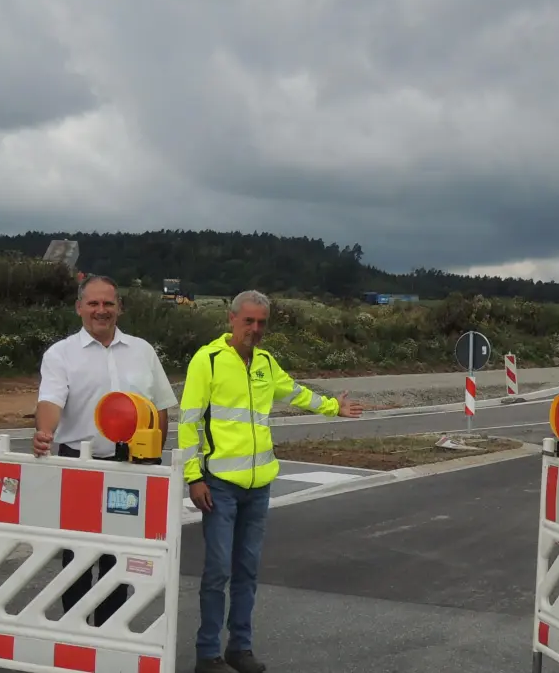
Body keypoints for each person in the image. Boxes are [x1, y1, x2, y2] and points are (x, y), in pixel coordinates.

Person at [177, 290, 363, 673]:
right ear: (232, 319)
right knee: (217, 572)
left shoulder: (264, 362)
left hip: (259, 487)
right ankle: (207, 654)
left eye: (262, 322)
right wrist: (193, 477)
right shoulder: (207, 361)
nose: (255, 329)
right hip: (220, 486)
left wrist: (333, 407)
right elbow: (189, 422)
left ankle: (239, 648)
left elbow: (294, 392)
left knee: (246, 570)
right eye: (249, 321)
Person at [32, 274, 178, 624]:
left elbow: (158, 406)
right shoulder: (61, 354)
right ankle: (77, 636)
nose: (101, 310)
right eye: (94, 303)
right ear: (79, 307)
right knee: (78, 556)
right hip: (80, 467)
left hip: (130, 468)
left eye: (108, 303)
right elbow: (51, 399)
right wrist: (44, 431)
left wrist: (154, 454)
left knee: (121, 558)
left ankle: (110, 636)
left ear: (120, 308)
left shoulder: (142, 351)